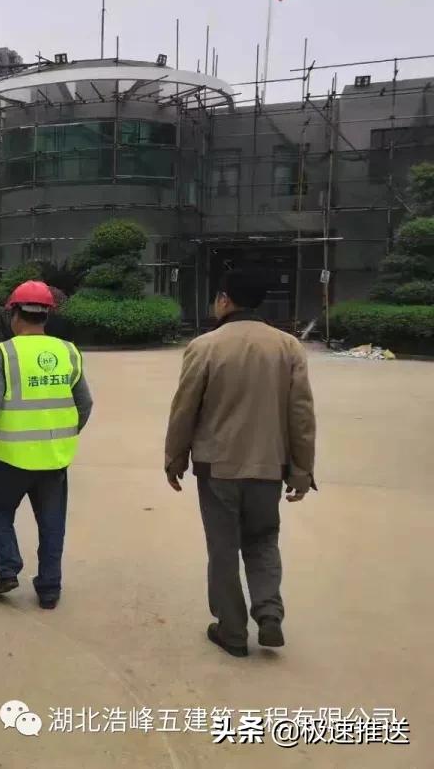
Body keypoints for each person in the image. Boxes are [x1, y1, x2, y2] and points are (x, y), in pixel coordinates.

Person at [164, 268, 316, 658]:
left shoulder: (205, 346)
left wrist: (175, 457)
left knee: (223, 549)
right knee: (263, 540)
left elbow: (185, 409)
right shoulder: (287, 347)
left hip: (217, 468)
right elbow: (301, 414)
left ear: (225, 300)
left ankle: (232, 631)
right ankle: (269, 613)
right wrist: (302, 470)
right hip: (269, 467)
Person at [0, 281, 93, 610]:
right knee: (52, 524)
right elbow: (85, 403)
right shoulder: (68, 351)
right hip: (54, 460)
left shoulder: (5, 353)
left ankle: (7, 569)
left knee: (0, 512)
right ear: (46, 315)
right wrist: (66, 433)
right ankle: (49, 589)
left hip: (11, 459)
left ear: (15, 314)